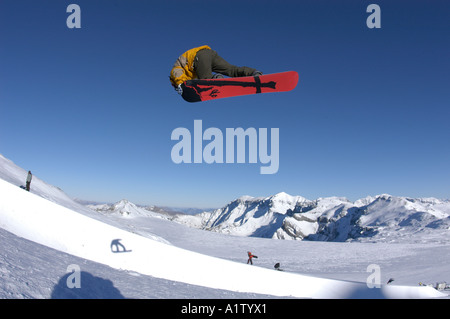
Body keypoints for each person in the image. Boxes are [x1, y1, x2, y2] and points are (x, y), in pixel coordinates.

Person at [169, 45, 262, 95]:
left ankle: (216, 79)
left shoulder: (175, 71)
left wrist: (181, 85)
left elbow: (177, 73)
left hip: (198, 57)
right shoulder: (190, 76)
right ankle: (254, 73)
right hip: (209, 54)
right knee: (232, 70)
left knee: (206, 81)